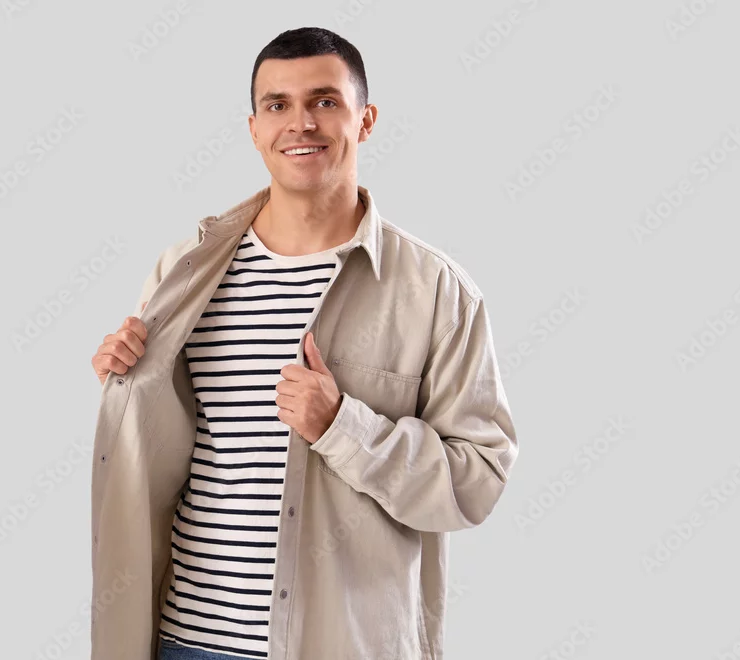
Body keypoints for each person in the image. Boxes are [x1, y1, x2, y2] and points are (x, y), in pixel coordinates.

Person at [89, 26, 519, 660]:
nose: (301, 123)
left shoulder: (436, 291)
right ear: (254, 128)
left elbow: (477, 479)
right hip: (188, 642)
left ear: (365, 120)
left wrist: (344, 427)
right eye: (277, 104)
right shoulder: (184, 271)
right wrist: (125, 382)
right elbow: (163, 452)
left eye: (325, 101)